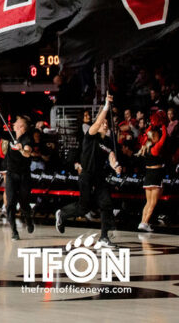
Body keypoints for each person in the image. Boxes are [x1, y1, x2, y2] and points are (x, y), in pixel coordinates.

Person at [55, 93, 121, 247]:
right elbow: (97, 122)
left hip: (99, 177)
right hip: (86, 175)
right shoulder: (90, 135)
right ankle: (62, 214)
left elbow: (111, 156)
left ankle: (104, 237)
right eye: (102, 122)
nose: (104, 124)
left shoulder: (109, 141)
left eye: (106, 123)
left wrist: (116, 165)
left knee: (106, 203)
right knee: (84, 207)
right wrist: (106, 106)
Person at [0, 104, 34, 241]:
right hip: (11, 174)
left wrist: (21, 149)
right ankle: (14, 231)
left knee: (23, 203)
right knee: (10, 203)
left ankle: (28, 219)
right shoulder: (11, 136)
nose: (14, 124)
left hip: (24, 176)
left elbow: (28, 152)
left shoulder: (27, 138)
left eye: (17, 122)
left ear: (22, 127)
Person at [137, 124, 167, 232]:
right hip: (155, 176)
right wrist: (163, 126)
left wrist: (151, 126)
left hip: (148, 176)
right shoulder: (155, 149)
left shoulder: (144, 148)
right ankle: (145, 222)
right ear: (154, 138)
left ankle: (143, 222)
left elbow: (145, 135)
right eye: (157, 136)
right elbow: (164, 137)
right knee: (153, 203)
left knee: (148, 202)